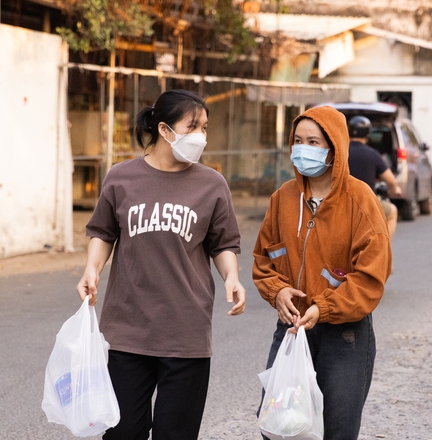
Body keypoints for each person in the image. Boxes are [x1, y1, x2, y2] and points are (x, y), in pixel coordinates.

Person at [76, 89, 246, 440]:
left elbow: (224, 243)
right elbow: (103, 232)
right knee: (122, 432)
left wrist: (232, 277)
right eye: (194, 126)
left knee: (176, 434)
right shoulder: (121, 177)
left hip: (186, 333)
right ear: (166, 130)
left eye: (205, 127)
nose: (202, 135)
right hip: (127, 331)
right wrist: (92, 268)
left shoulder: (212, 184)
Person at [252, 106, 392, 440]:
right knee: (279, 425)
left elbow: (371, 277)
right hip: (291, 330)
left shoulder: (361, 200)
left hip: (345, 336)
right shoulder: (283, 199)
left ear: (335, 148)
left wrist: (324, 308)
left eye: (313, 142)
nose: (303, 148)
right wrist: (278, 291)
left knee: (337, 429)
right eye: (298, 141)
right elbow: (263, 259)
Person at [347, 115, 403, 238]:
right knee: (392, 211)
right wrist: (394, 190)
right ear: (368, 135)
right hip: (366, 204)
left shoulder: (339, 152)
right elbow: (391, 181)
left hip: (340, 202)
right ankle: (382, 247)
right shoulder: (373, 154)